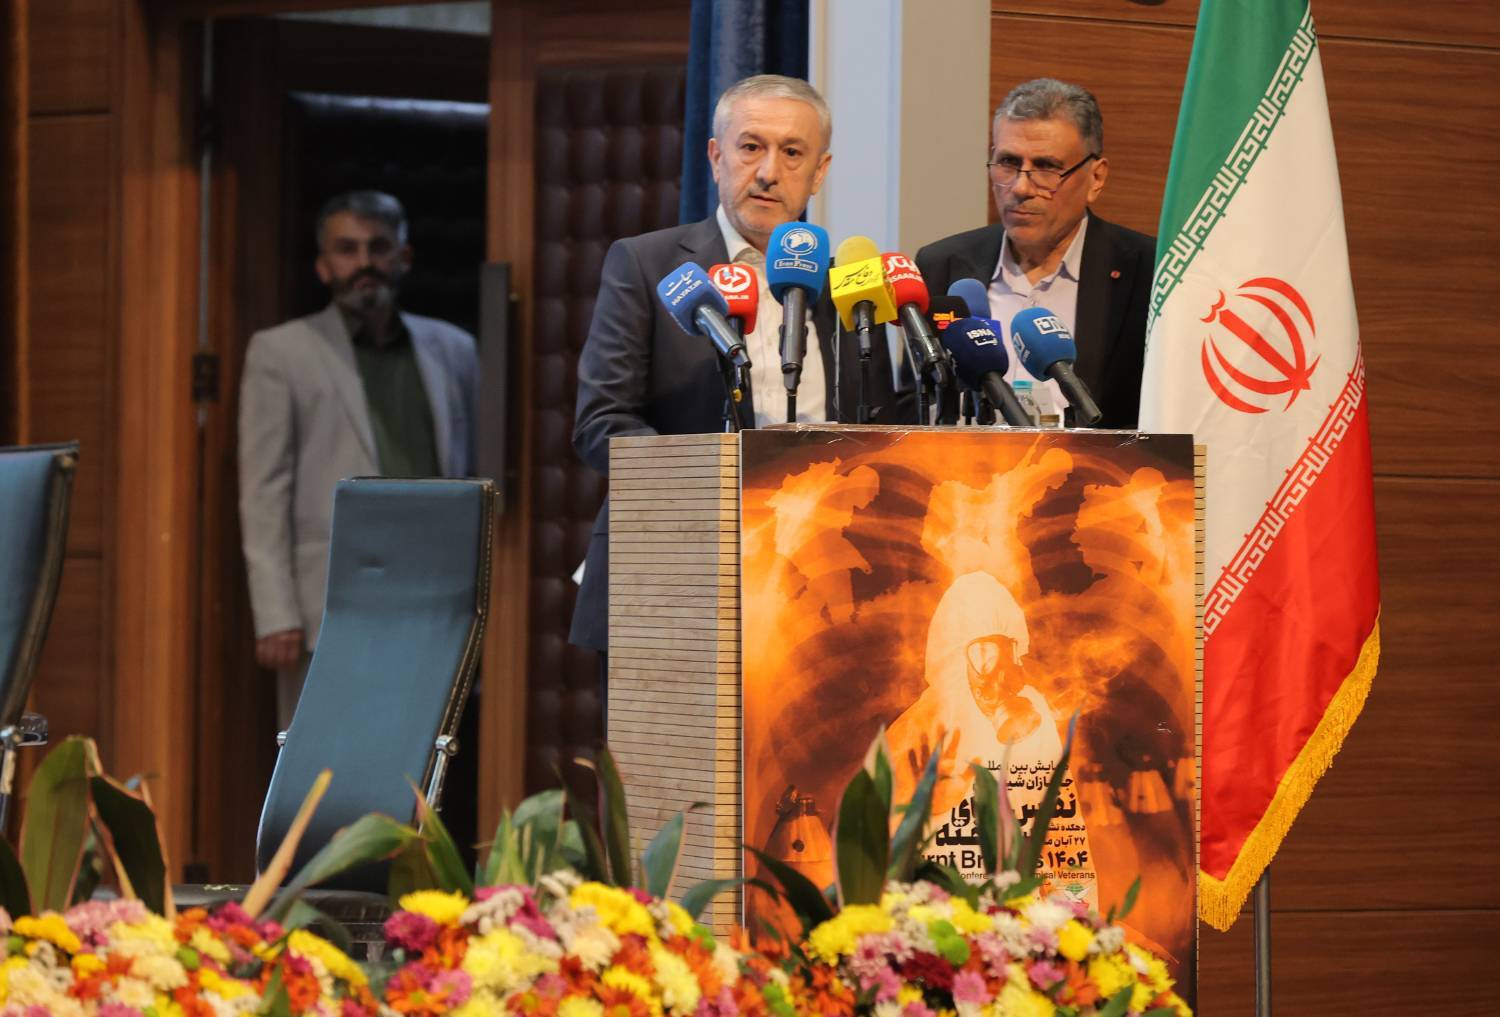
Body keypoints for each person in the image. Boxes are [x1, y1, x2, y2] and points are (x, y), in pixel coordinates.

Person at [570, 74, 906, 663]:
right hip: (679, 569)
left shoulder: (850, 285)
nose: (769, 171)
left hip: (824, 582)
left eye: (792, 152)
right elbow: (601, 423)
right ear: (716, 156)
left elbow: (880, 427)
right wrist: (724, 490)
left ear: (820, 171)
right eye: (751, 147)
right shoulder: (648, 264)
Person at [239, 190, 479, 727]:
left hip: (433, 600)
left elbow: (471, 473)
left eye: (379, 247)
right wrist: (274, 613)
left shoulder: (455, 350)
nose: (364, 263)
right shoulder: (280, 352)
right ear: (323, 266)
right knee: (323, 758)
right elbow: (262, 491)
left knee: (422, 754)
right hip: (326, 604)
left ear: (404, 257)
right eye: (347, 250)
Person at [916, 78, 1155, 429]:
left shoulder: (1146, 273)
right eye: (1007, 162)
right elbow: (913, 401)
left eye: (1046, 167)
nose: (1021, 187)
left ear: (1096, 178)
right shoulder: (942, 266)